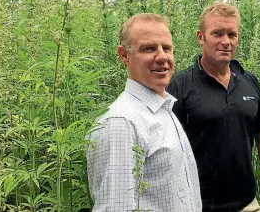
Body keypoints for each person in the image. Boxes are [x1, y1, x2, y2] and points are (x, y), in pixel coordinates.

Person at [167, 3, 260, 212]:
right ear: (200, 37)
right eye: (217, 34)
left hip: (248, 204)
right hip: (197, 205)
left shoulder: (249, 82)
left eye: (232, 34)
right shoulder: (181, 86)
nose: (226, 42)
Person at [86, 13, 202, 212]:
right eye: (149, 49)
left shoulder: (162, 108)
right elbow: (116, 207)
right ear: (124, 55)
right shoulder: (121, 123)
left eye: (166, 48)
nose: (162, 57)